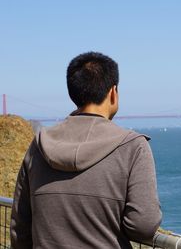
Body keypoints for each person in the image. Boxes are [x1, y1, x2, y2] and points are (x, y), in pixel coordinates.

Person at [10, 52, 162, 248]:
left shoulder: (39, 144)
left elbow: (19, 227)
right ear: (113, 93)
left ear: (73, 92)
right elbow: (143, 225)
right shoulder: (133, 146)